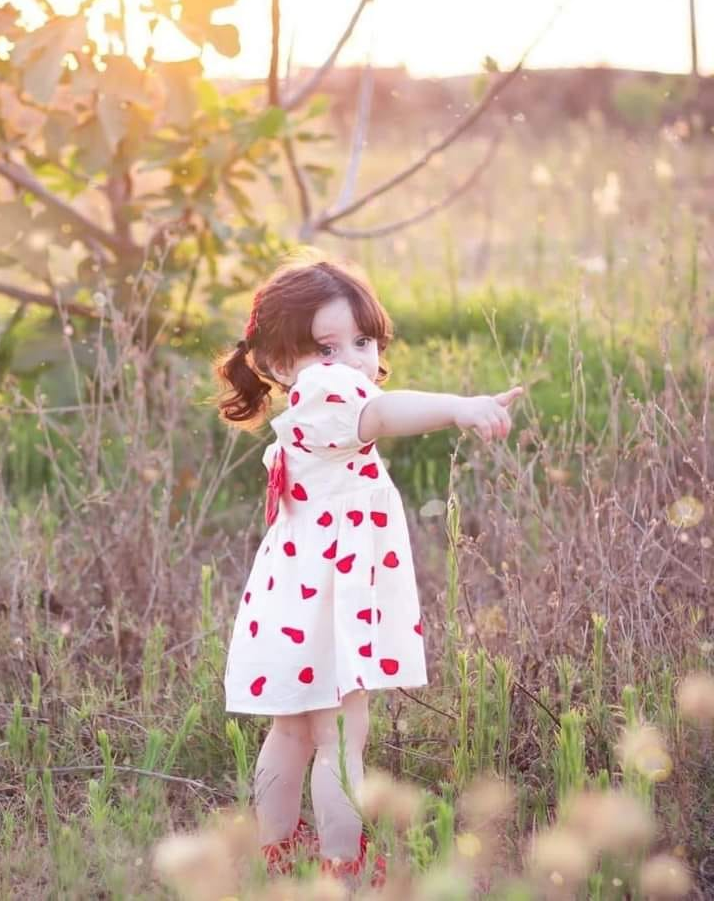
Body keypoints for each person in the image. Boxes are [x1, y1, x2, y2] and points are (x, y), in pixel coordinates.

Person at [211, 257, 522, 886]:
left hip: (292, 597)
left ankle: (273, 849)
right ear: (278, 363)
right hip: (331, 598)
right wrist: (459, 407)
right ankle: (343, 863)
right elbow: (384, 414)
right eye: (327, 348)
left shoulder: (308, 408)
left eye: (363, 341)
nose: (352, 361)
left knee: (291, 732)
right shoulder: (330, 397)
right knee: (339, 738)